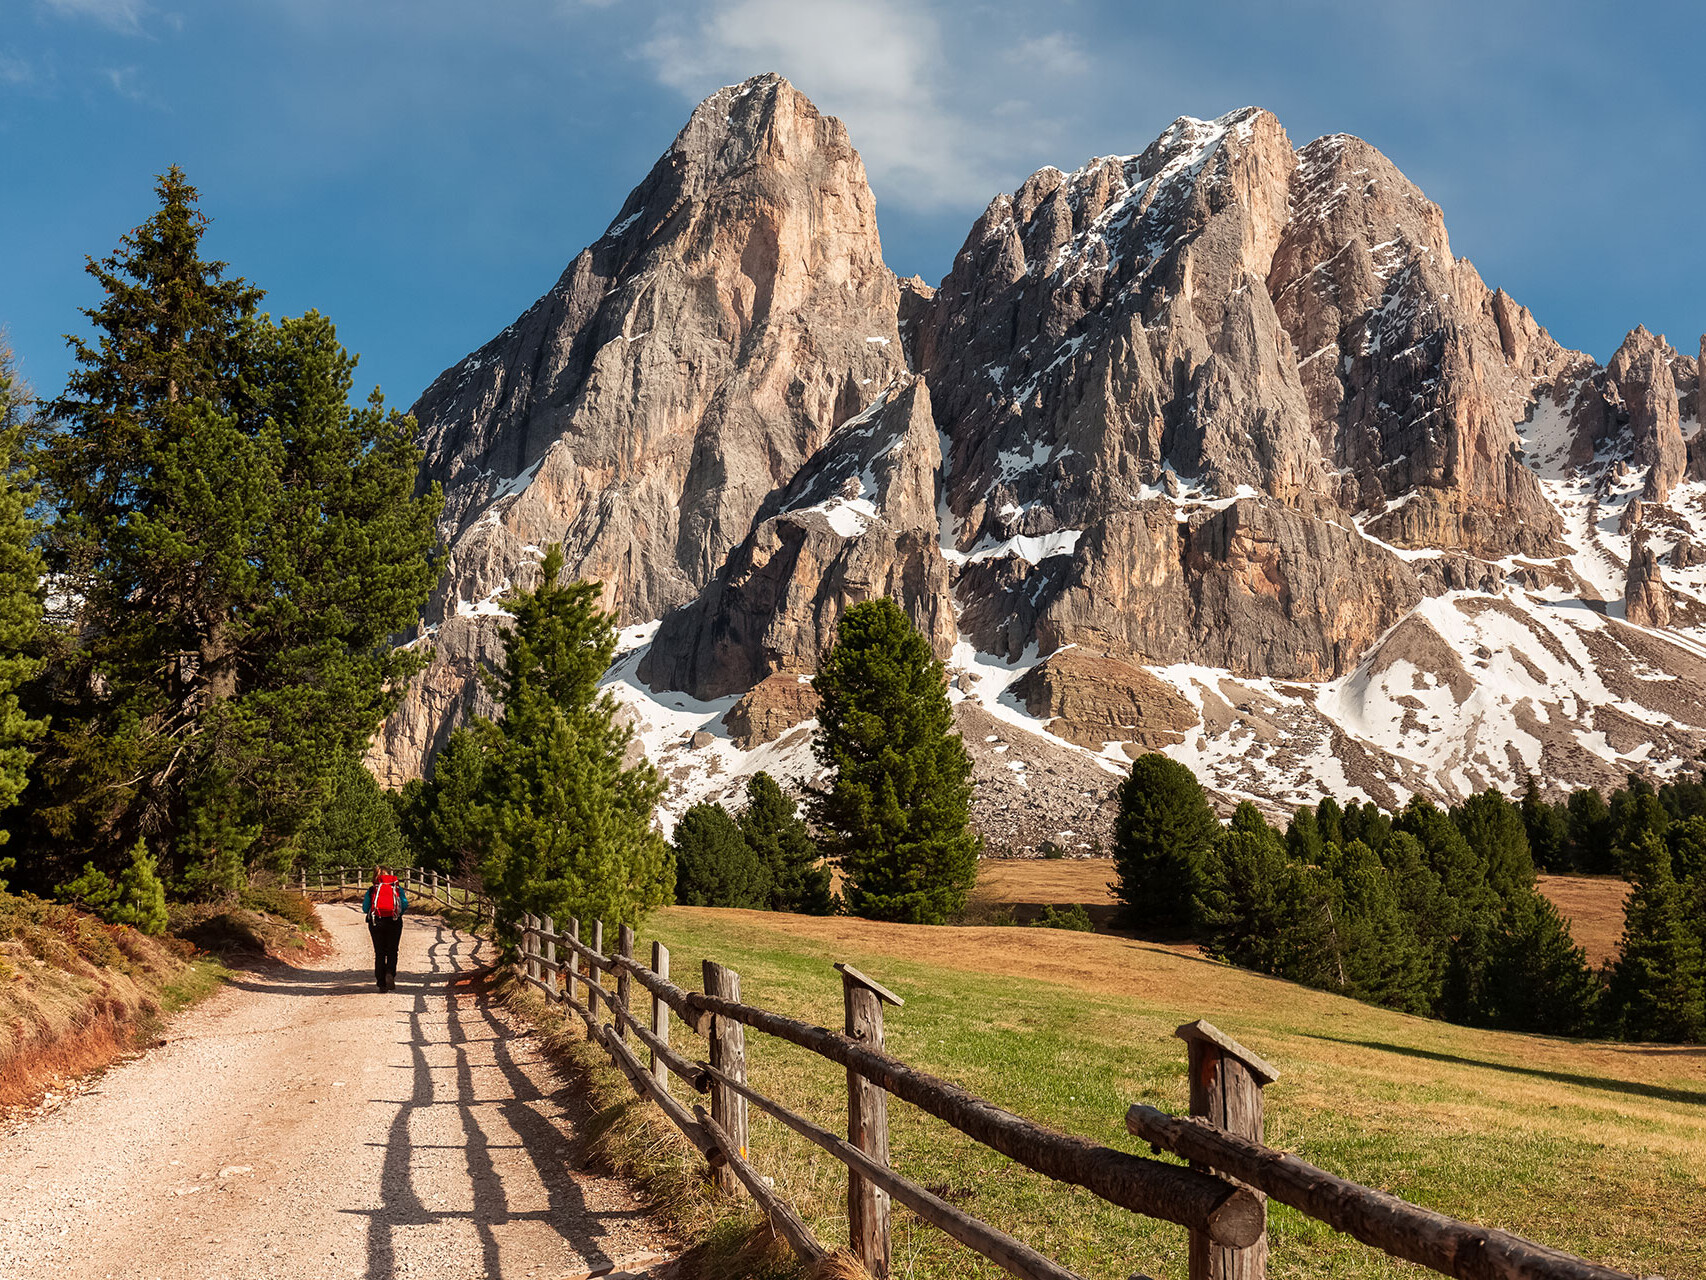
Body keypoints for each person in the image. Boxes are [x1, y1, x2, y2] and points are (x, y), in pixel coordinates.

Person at [363, 865, 407, 991]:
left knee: (380, 952)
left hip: (376, 922)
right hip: (394, 921)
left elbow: (365, 908)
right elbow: (404, 904)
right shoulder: (397, 889)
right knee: (393, 950)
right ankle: (390, 973)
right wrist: (397, 914)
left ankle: (381, 983)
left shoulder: (372, 890)